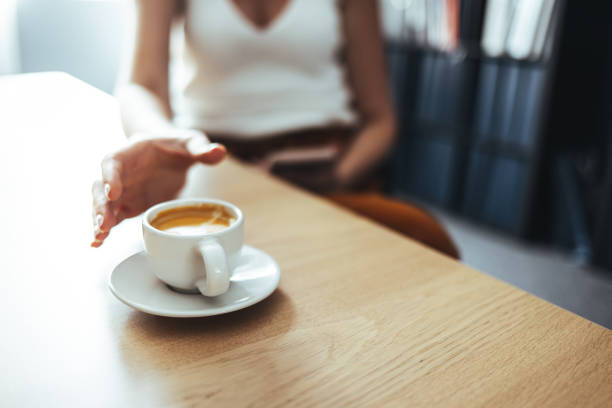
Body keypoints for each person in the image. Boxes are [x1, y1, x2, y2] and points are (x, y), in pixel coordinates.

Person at [91, 0, 458, 258]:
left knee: (429, 241)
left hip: (325, 186)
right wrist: (159, 138)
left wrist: (333, 176)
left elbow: (381, 120)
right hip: (218, 186)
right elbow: (141, 84)